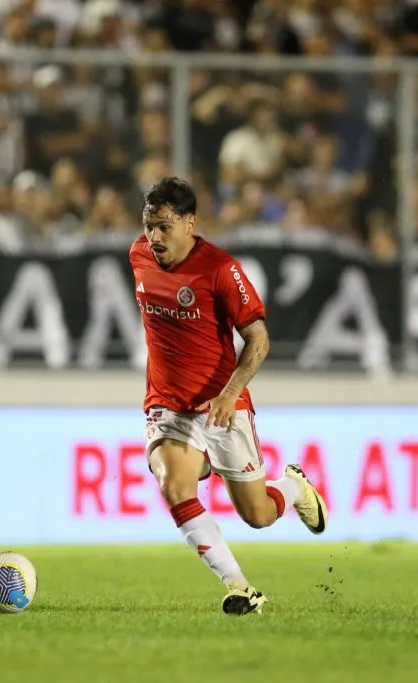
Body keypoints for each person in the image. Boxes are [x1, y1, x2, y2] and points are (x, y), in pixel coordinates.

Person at [130, 176, 328, 616]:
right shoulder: (138, 255)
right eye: (149, 226)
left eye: (164, 227)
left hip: (223, 405)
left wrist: (230, 392)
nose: (154, 237)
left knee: (258, 515)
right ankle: (241, 587)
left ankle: (293, 486)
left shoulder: (221, 269)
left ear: (190, 223)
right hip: (168, 406)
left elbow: (259, 339)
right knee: (173, 484)